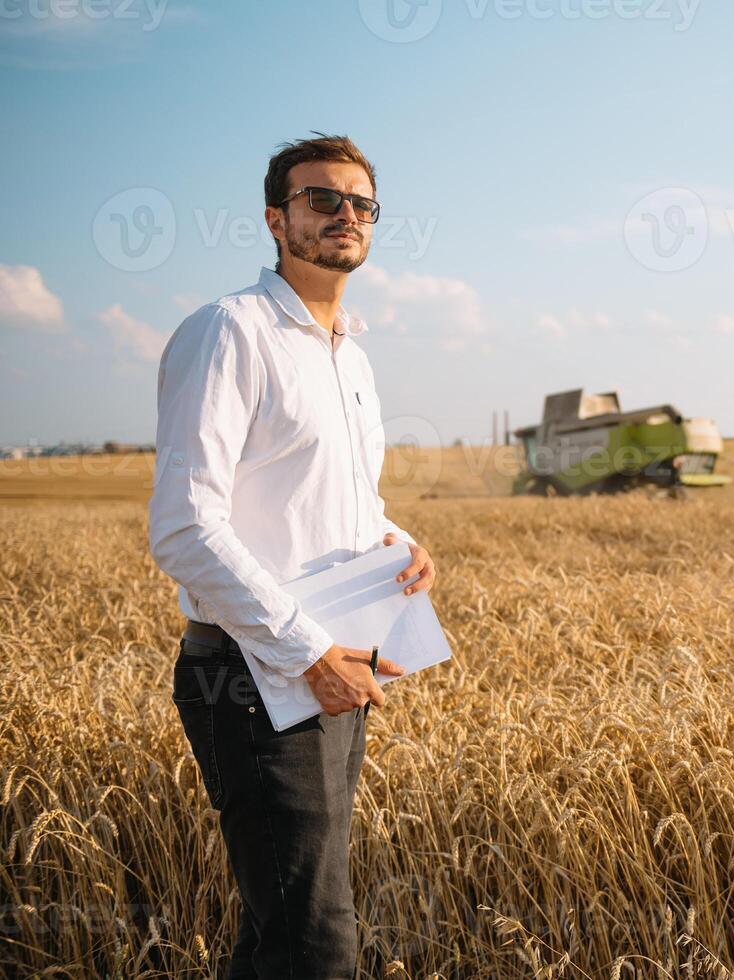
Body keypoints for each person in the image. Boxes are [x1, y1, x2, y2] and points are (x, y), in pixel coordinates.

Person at [149, 134, 440, 979]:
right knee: (317, 945)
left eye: (361, 203)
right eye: (322, 199)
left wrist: (402, 542)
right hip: (252, 675)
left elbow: (337, 499)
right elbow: (184, 524)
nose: (345, 215)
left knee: (285, 931)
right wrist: (308, 651)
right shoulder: (229, 332)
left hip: (335, 666)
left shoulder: (351, 353)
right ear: (277, 219)